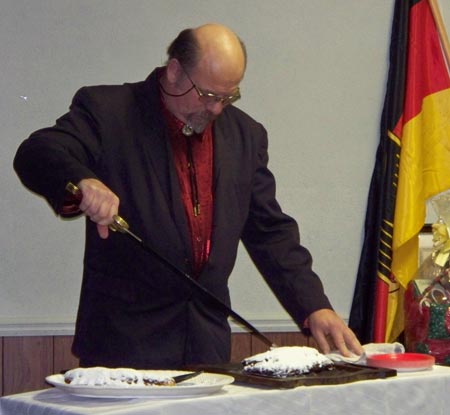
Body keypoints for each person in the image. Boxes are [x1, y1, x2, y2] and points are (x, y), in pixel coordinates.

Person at [14, 23, 363, 368]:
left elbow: (270, 231)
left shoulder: (245, 135)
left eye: (228, 96)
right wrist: (83, 180)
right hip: (123, 349)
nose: (215, 109)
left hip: (206, 349)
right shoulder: (110, 111)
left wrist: (314, 306)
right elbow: (38, 151)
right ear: (175, 71)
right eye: (208, 95)